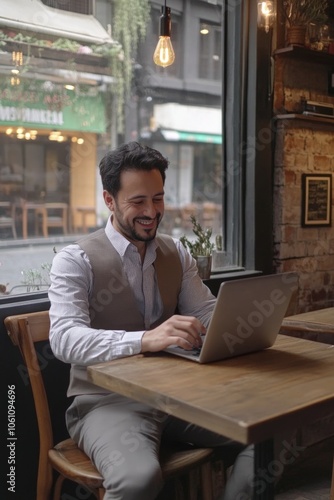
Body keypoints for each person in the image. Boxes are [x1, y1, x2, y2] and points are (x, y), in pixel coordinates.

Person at [49, 141, 254, 500]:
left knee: (266, 433)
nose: (151, 211)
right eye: (138, 201)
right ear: (109, 200)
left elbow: (204, 311)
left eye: (157, 198)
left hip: (178, 394)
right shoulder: (75, 259)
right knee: (138, 479)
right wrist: (144, 340)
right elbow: (65, 339)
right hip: (107, 402)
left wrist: (243, 320)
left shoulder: (176, 252)